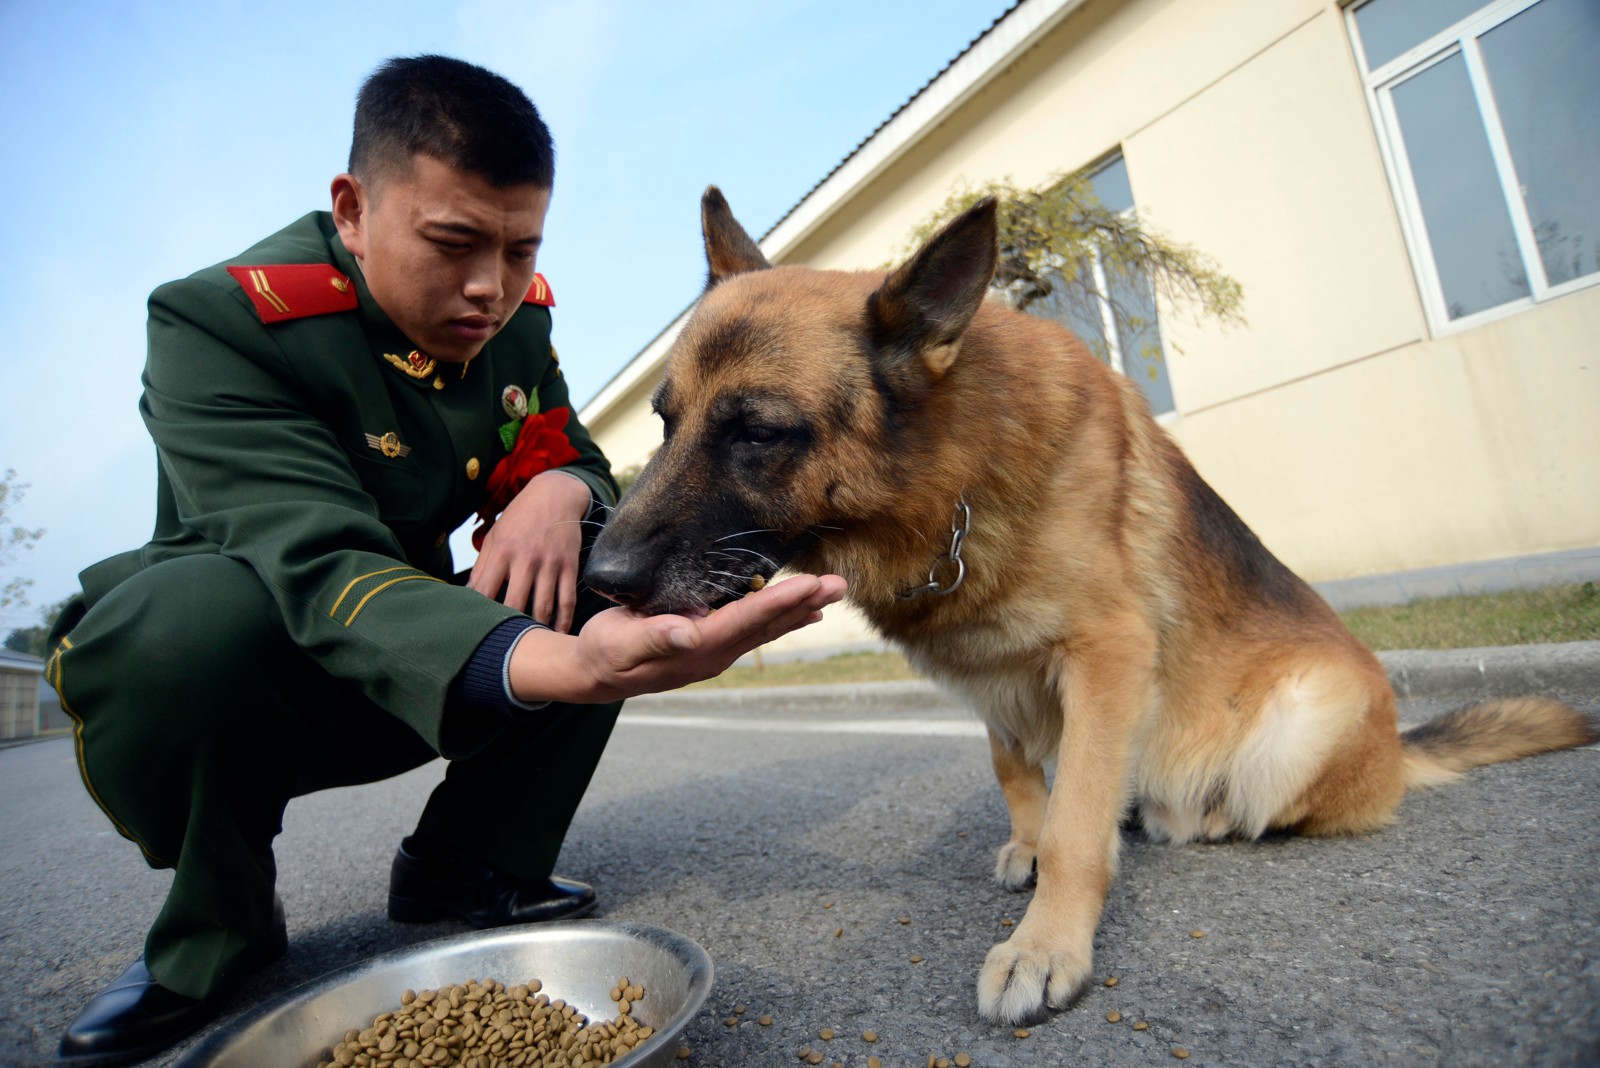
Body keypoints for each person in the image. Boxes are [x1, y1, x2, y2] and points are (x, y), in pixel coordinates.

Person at [47, 54, 845, 1066]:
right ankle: (220, 928)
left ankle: (472, 865)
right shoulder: (221, 324)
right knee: (185, 627)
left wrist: (559, 491)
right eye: (455, 243)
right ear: (351, 208)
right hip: (262, 669)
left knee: (601, 548)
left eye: (521, 249)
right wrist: (550, 664)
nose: (490, 289)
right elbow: (319, 560)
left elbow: (570, 447)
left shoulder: (515, 317)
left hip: (427, 657)